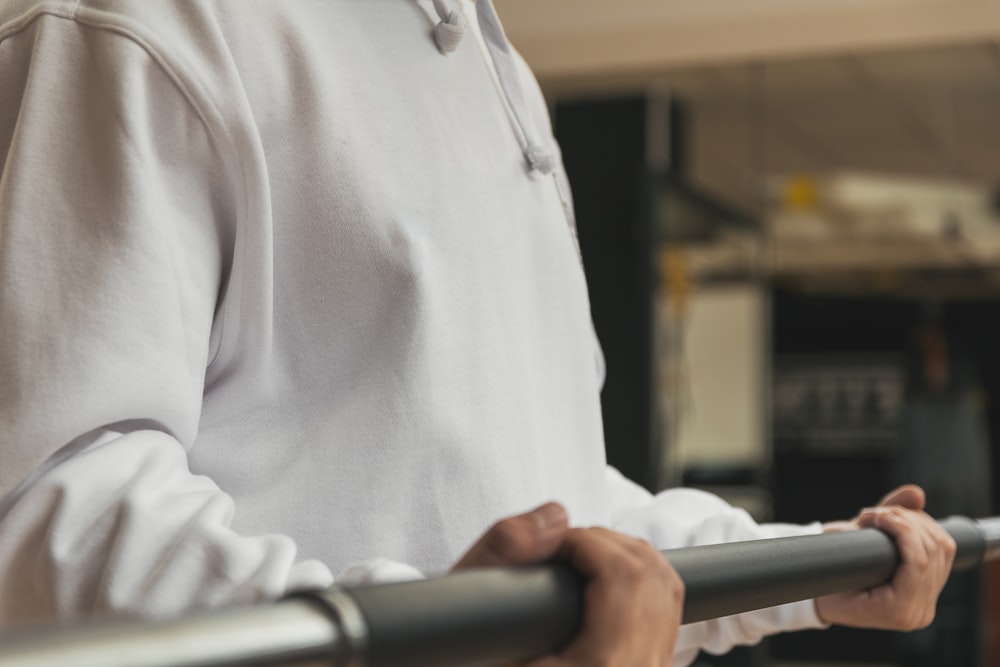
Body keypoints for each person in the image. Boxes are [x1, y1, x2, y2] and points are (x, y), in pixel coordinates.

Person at [0, 1, 955, 665]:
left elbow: (565, 514)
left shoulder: (503, 76)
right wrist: (432, 640)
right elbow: (48, 511)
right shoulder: (143, 18)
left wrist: (816, 568)